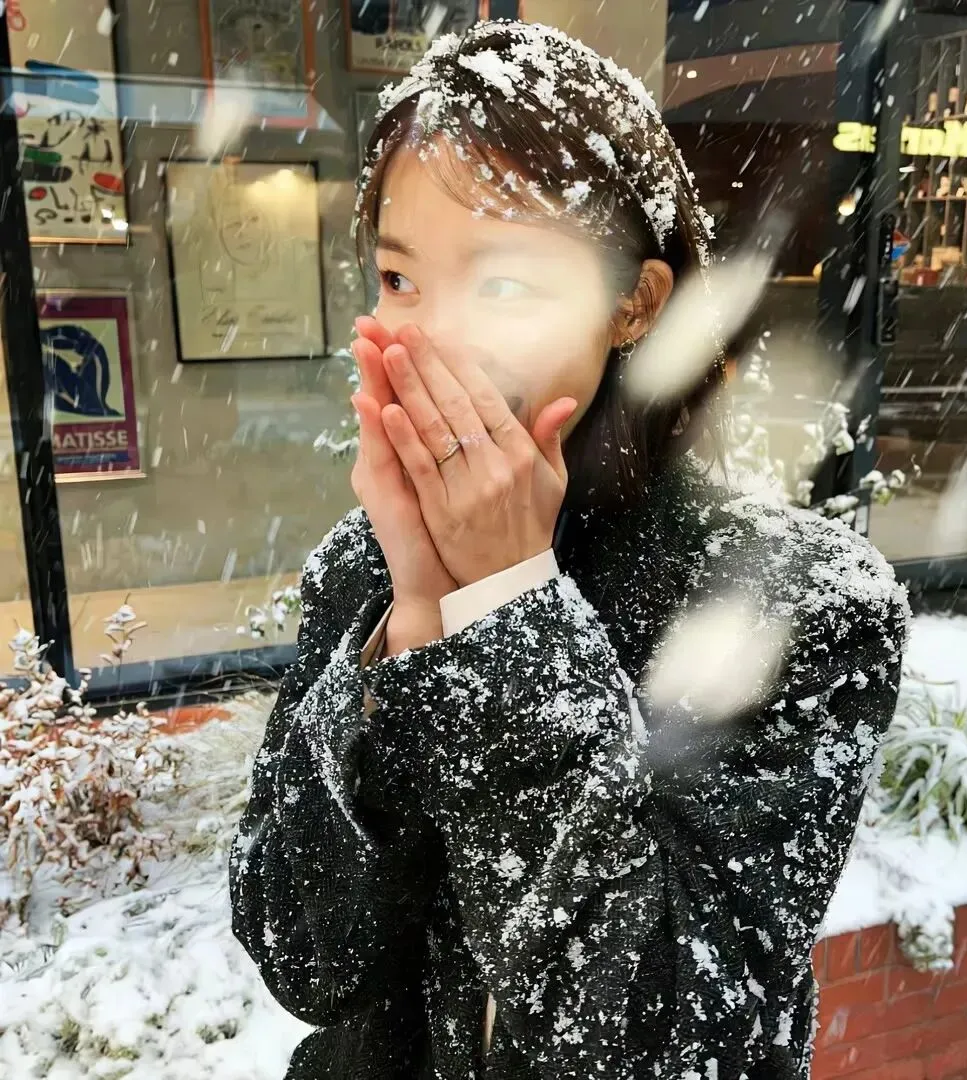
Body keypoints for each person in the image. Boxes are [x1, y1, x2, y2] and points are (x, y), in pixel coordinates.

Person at [229, 19, 909, 1080]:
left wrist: (506, 611)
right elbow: (306, 961)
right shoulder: (366, 570)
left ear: (633, 304)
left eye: (503, 285)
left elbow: (668, 1041)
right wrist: (413, 626)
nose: (431, 337)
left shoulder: (799, 602)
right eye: (400, 279)